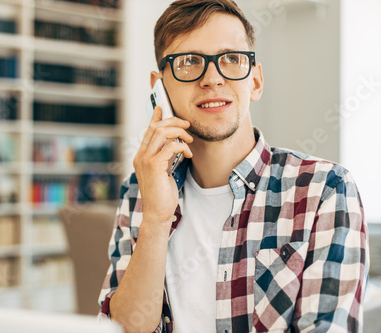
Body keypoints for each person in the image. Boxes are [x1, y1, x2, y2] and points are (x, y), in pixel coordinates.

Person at [98, 0, 369, 332]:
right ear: (159, 88)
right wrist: (155, 219)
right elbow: (123, 329)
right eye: (188, 62)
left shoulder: (324, 189)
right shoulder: (140, 189)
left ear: (255, 81)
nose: (213, 78)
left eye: (231, 59)